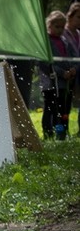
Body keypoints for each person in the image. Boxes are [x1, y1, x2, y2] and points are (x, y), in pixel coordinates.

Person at [38, 11, 77, 140]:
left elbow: (74, 56)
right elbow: (44, 64)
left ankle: (62, 133)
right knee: (51, 109)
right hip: (50, 83)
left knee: (63, 110)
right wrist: (61, 73)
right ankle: (48, 133)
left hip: (65, 83)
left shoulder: (65, 40)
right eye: (57, 27)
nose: (60, 30)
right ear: (49, 25)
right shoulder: (45, 43)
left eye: (62, 27)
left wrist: (73, 69)